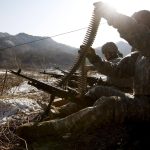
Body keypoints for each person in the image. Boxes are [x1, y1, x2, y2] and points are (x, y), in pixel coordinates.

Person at [16, 2, 150, 140]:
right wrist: (95, 59)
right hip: (138, 100)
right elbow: (116, 70)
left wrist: (114, 17)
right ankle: (61, 112)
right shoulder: (138, 55)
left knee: (110, 105)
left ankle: (52, 129)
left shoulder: (146, 44)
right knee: (98, 91)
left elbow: (141, 36)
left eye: (139, 25)